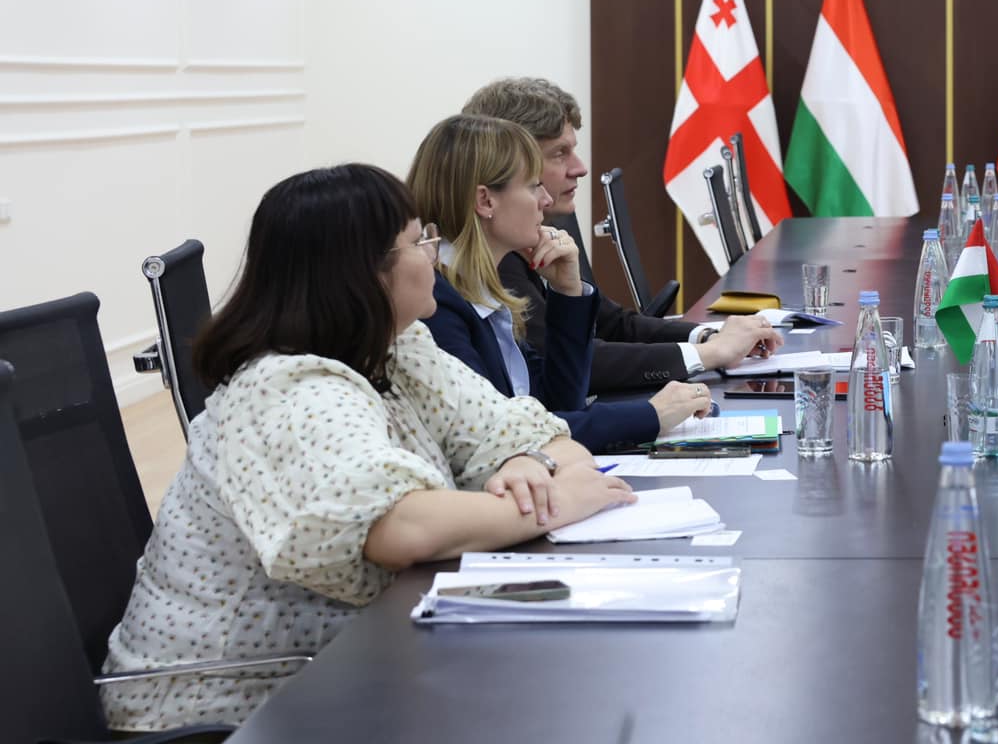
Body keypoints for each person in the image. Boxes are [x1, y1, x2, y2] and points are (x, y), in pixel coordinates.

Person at [101, 165, 636, 730]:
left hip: (350, 672)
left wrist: (533, 462)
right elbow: (399, 528)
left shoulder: (397, 347)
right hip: (220, 713)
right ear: (364, 273)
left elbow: (546, 439)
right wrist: (554, 503)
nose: (433, 256)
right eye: (418, 241)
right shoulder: (287, 389)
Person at [409, 115, 711, 451]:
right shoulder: (437, 306)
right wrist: (651, 415)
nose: (546, 200)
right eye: (532, 186)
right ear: (485, 201)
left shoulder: (482, 289)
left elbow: (561, 403)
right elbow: (501, 435)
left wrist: (568, 292)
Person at [462, 77, 782, 391]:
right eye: (560, 153)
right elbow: (573, 365)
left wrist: (708, 337)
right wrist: (710, 353)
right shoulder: (492, 252)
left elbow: (613, 324)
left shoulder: (534, 234)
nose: (580, 168)